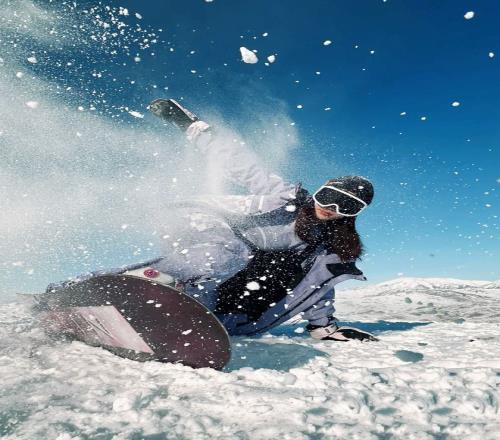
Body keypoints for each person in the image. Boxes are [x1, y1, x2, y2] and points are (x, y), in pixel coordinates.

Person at [46, 99, 378, 342]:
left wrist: (323, 328)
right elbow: (242, 165)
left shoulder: (329, 249)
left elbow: (319, 287)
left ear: (353, 215)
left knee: (221, 302)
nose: (331, 207)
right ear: (319, 189)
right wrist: (192, 126)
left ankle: (176, 311)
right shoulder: (287, 198)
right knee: (228, 254)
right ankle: (101, 286)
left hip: (235, 279)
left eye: (346, 205)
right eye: (327, 195)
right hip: (212, 230)